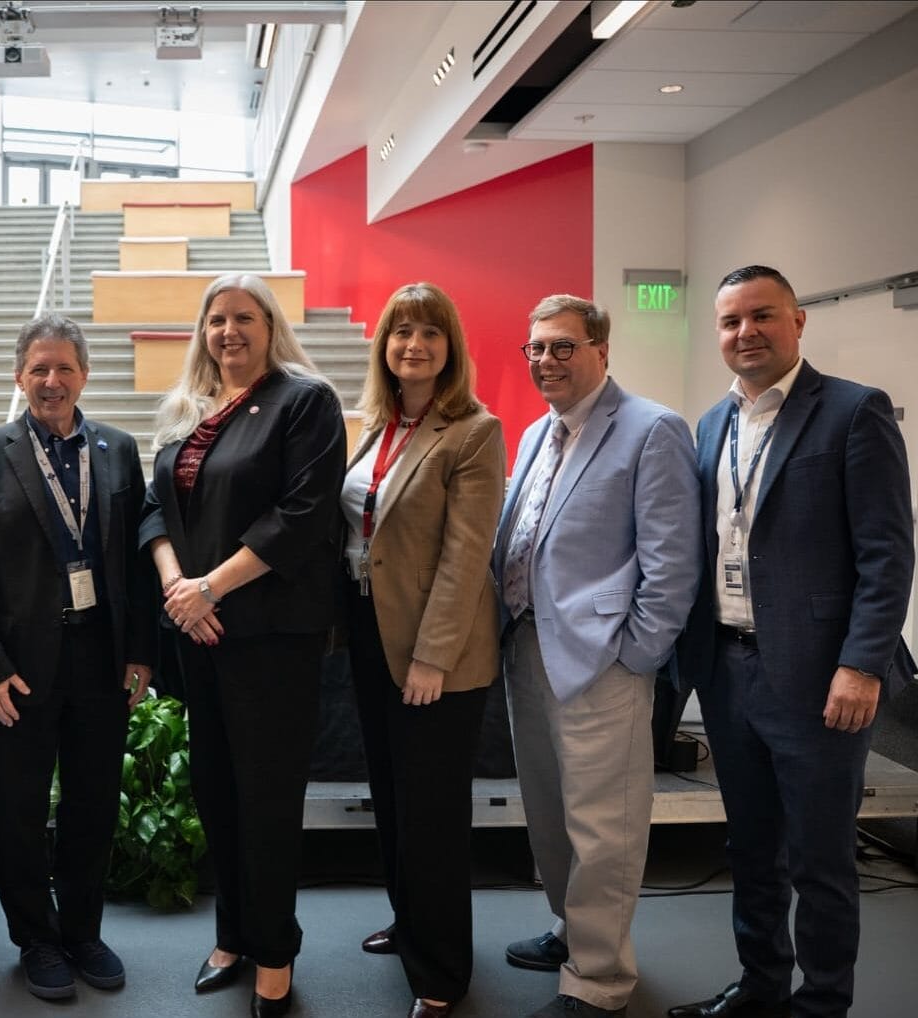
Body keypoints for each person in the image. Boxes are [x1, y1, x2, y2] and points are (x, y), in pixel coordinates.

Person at [667, 266, 915, 1018]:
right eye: (730, 321)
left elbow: (887, 553)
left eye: (762, 316)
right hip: (729, 669)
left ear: (798, 322)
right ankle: (762, 984)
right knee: (751, 849)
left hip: (819, 679)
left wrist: (860, 663)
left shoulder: (851, 410)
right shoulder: (711, 425)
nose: (745, 332)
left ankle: (824, 1002)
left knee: (821, 858)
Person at [141, 273, 346, 1018]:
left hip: (267, 641)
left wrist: (210, 589)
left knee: (264, 800)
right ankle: (231, 935)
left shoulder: (304, 402)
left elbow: (300, 516)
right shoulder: (192, 411)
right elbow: (151, 509)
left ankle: (274, 952)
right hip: (199, 634)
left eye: (244, 318)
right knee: (216, 793)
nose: (229, 331)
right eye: (216, 319)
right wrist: (177, 588)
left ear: (270, 325)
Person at [492, 295, 701, 1018]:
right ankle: (570, 929)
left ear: (601, 348)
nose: (546, 361)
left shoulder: (652, 429)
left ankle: (601, 978)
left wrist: (636, 656)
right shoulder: (533, 436)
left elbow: (673, 563)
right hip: (527, 649)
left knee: (604, 825)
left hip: (603, 662)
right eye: (536, 350)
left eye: (562, 347)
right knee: (549, 814)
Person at [0, 314, 154, 1002]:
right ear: (19, 377)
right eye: (38, 368)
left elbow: (136, 565)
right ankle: (36, 938)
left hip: (101, 661)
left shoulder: (120, 451)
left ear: (84, 375)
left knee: (94, 805)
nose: (51, 381)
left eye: (64, 368)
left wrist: (141, 655)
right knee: (18, 808)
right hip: (18, 669)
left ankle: (83, 932)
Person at [342, 284, 505, 1018]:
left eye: (430, 334)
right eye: (401, 332)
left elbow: (466, 558)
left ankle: (441, 974)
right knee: (392, 801)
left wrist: (432, 657)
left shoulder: (472, 431)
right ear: (384, 345)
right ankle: (412, 926)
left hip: (436, 657)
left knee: (432, 816)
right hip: (373, 641)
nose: (414, 345)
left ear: (451, 349)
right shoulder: (378, 426)